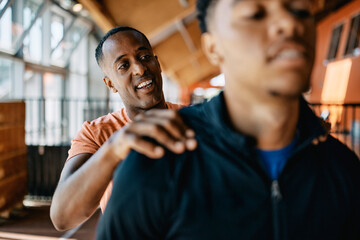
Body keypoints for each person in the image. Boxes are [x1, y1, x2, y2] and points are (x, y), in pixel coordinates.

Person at [96, 0, 360, 239]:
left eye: (300, 11)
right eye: (254, 14)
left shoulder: (342, 169)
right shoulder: (160, 161)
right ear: (213, 48)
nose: (289, 24)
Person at [50, 26, 197, 231]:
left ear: (157, 63)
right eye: (123, 65)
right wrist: (114, 148)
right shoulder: (96, 134)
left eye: (145, 56)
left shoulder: (195, 120)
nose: (139, 68)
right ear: (110, 84)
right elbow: (62, 217)